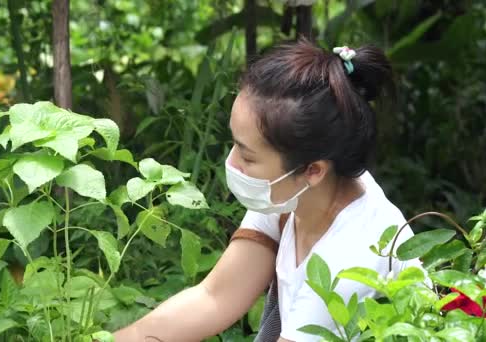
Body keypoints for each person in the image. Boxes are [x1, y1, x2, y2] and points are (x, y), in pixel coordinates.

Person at [114, 38, 420, 341]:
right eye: (235, 144)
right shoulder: (297, 191)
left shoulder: (346, 264)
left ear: (313, 170)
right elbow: (214, 297)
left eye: (247, 156)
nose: (232, 163)